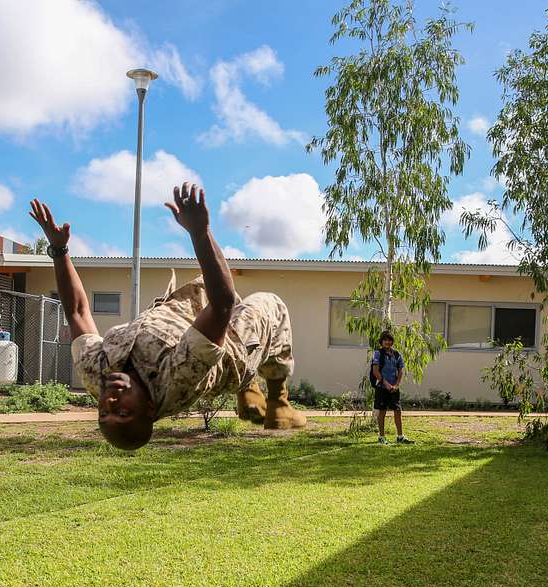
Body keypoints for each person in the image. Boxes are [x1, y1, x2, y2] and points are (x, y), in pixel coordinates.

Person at [29, 183, 306, 451]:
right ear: (150, 407)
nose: (111, 400)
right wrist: (200, 232)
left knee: (210, 288)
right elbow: (221, 305)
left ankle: (250, 392)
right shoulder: (177, 376)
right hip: (233, 353)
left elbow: (77, 311)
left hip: (180, 312)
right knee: (269, 305)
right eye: (123, 411)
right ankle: (277, 401)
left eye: (103, 412)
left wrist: (58, 250)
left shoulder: (96, 376)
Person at [371, 331, 413, 445]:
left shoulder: (397, 354)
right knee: (382, 412)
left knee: (398, 411)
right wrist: (386, 384)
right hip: (382, 387)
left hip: (394, 388)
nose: (387, 342)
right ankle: (381, 436)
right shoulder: (377, 354)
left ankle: (400, 436)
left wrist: (396, 385)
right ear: (381, 341)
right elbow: (375, 371)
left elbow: (400, 371)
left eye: (389, 340)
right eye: (385, 340)